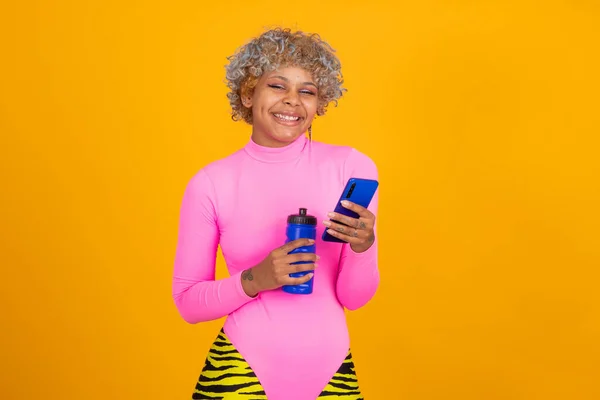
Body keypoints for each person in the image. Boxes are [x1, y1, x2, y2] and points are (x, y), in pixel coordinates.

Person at [172, 27, 380, 400]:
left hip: (331, 372)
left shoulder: (351, 168)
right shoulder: (211, 183)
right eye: (277, 86)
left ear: (320, 103)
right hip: (241, 372)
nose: (293, 102)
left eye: (307, 91)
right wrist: (255, 279)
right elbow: (188, 303)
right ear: (249, 94)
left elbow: (354, 297)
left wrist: (364, 247)